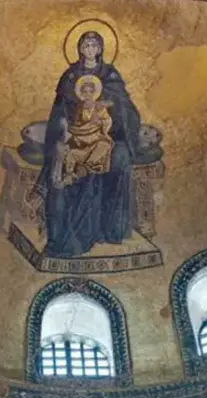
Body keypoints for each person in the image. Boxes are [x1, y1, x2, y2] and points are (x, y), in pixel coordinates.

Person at [33, 30, 142, 258]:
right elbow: (59, 111)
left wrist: (109, 108)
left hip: (104, 136)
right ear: (80, 49)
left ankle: (109, 228)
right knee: (62, 168)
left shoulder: (110, 75)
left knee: (119, 157)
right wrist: (63, 131)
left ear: (100, 49)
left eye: (94, 45)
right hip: (74, 136)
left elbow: (125, 108)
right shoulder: (70, 76)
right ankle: (63, 238)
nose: (90, 49)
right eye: (86, 45)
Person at [55, 75, 114, 188]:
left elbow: (107, 120)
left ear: (94, 93)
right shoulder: (80, 108)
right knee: (72, 153)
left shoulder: (99, 107)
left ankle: (85, 169)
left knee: (104, 145)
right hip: (82, 140)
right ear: (81, 94)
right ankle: (69, 176)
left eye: (90, 92)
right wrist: (78, 130)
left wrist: (99, 122)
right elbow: (77, 125)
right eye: (85, 92)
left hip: (96, 139)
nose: (88, 94)